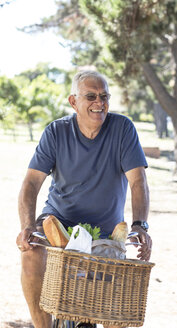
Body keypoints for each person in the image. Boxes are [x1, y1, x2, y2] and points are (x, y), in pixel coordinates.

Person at [16, 70, 152, 328]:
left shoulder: (123, 129)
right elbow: (31, 183)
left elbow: (138, 182)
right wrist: (26, 226)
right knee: (31, 254)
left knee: (118, 313)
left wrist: (140, 225)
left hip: (106, 231)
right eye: (90, 96)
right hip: (58, 224)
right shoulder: (56, 132)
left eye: (104, 96)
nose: (99, 103)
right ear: (73, 102)